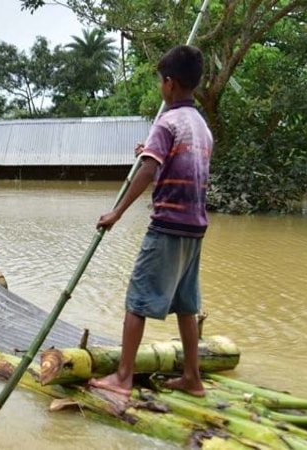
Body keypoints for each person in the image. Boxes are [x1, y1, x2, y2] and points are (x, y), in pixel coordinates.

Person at [88, 45, 213, 398]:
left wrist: (116, 213)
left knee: (137, 299)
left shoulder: (167, 121)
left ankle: (123, 378)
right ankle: (193, 378)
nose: (161, 87)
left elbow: (149, 169)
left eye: (161, 81)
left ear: (170, 84)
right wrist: (151, 148)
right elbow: (171, 161)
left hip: (168, 225)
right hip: (195, 227)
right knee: (186, 304)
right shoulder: (199, 125)